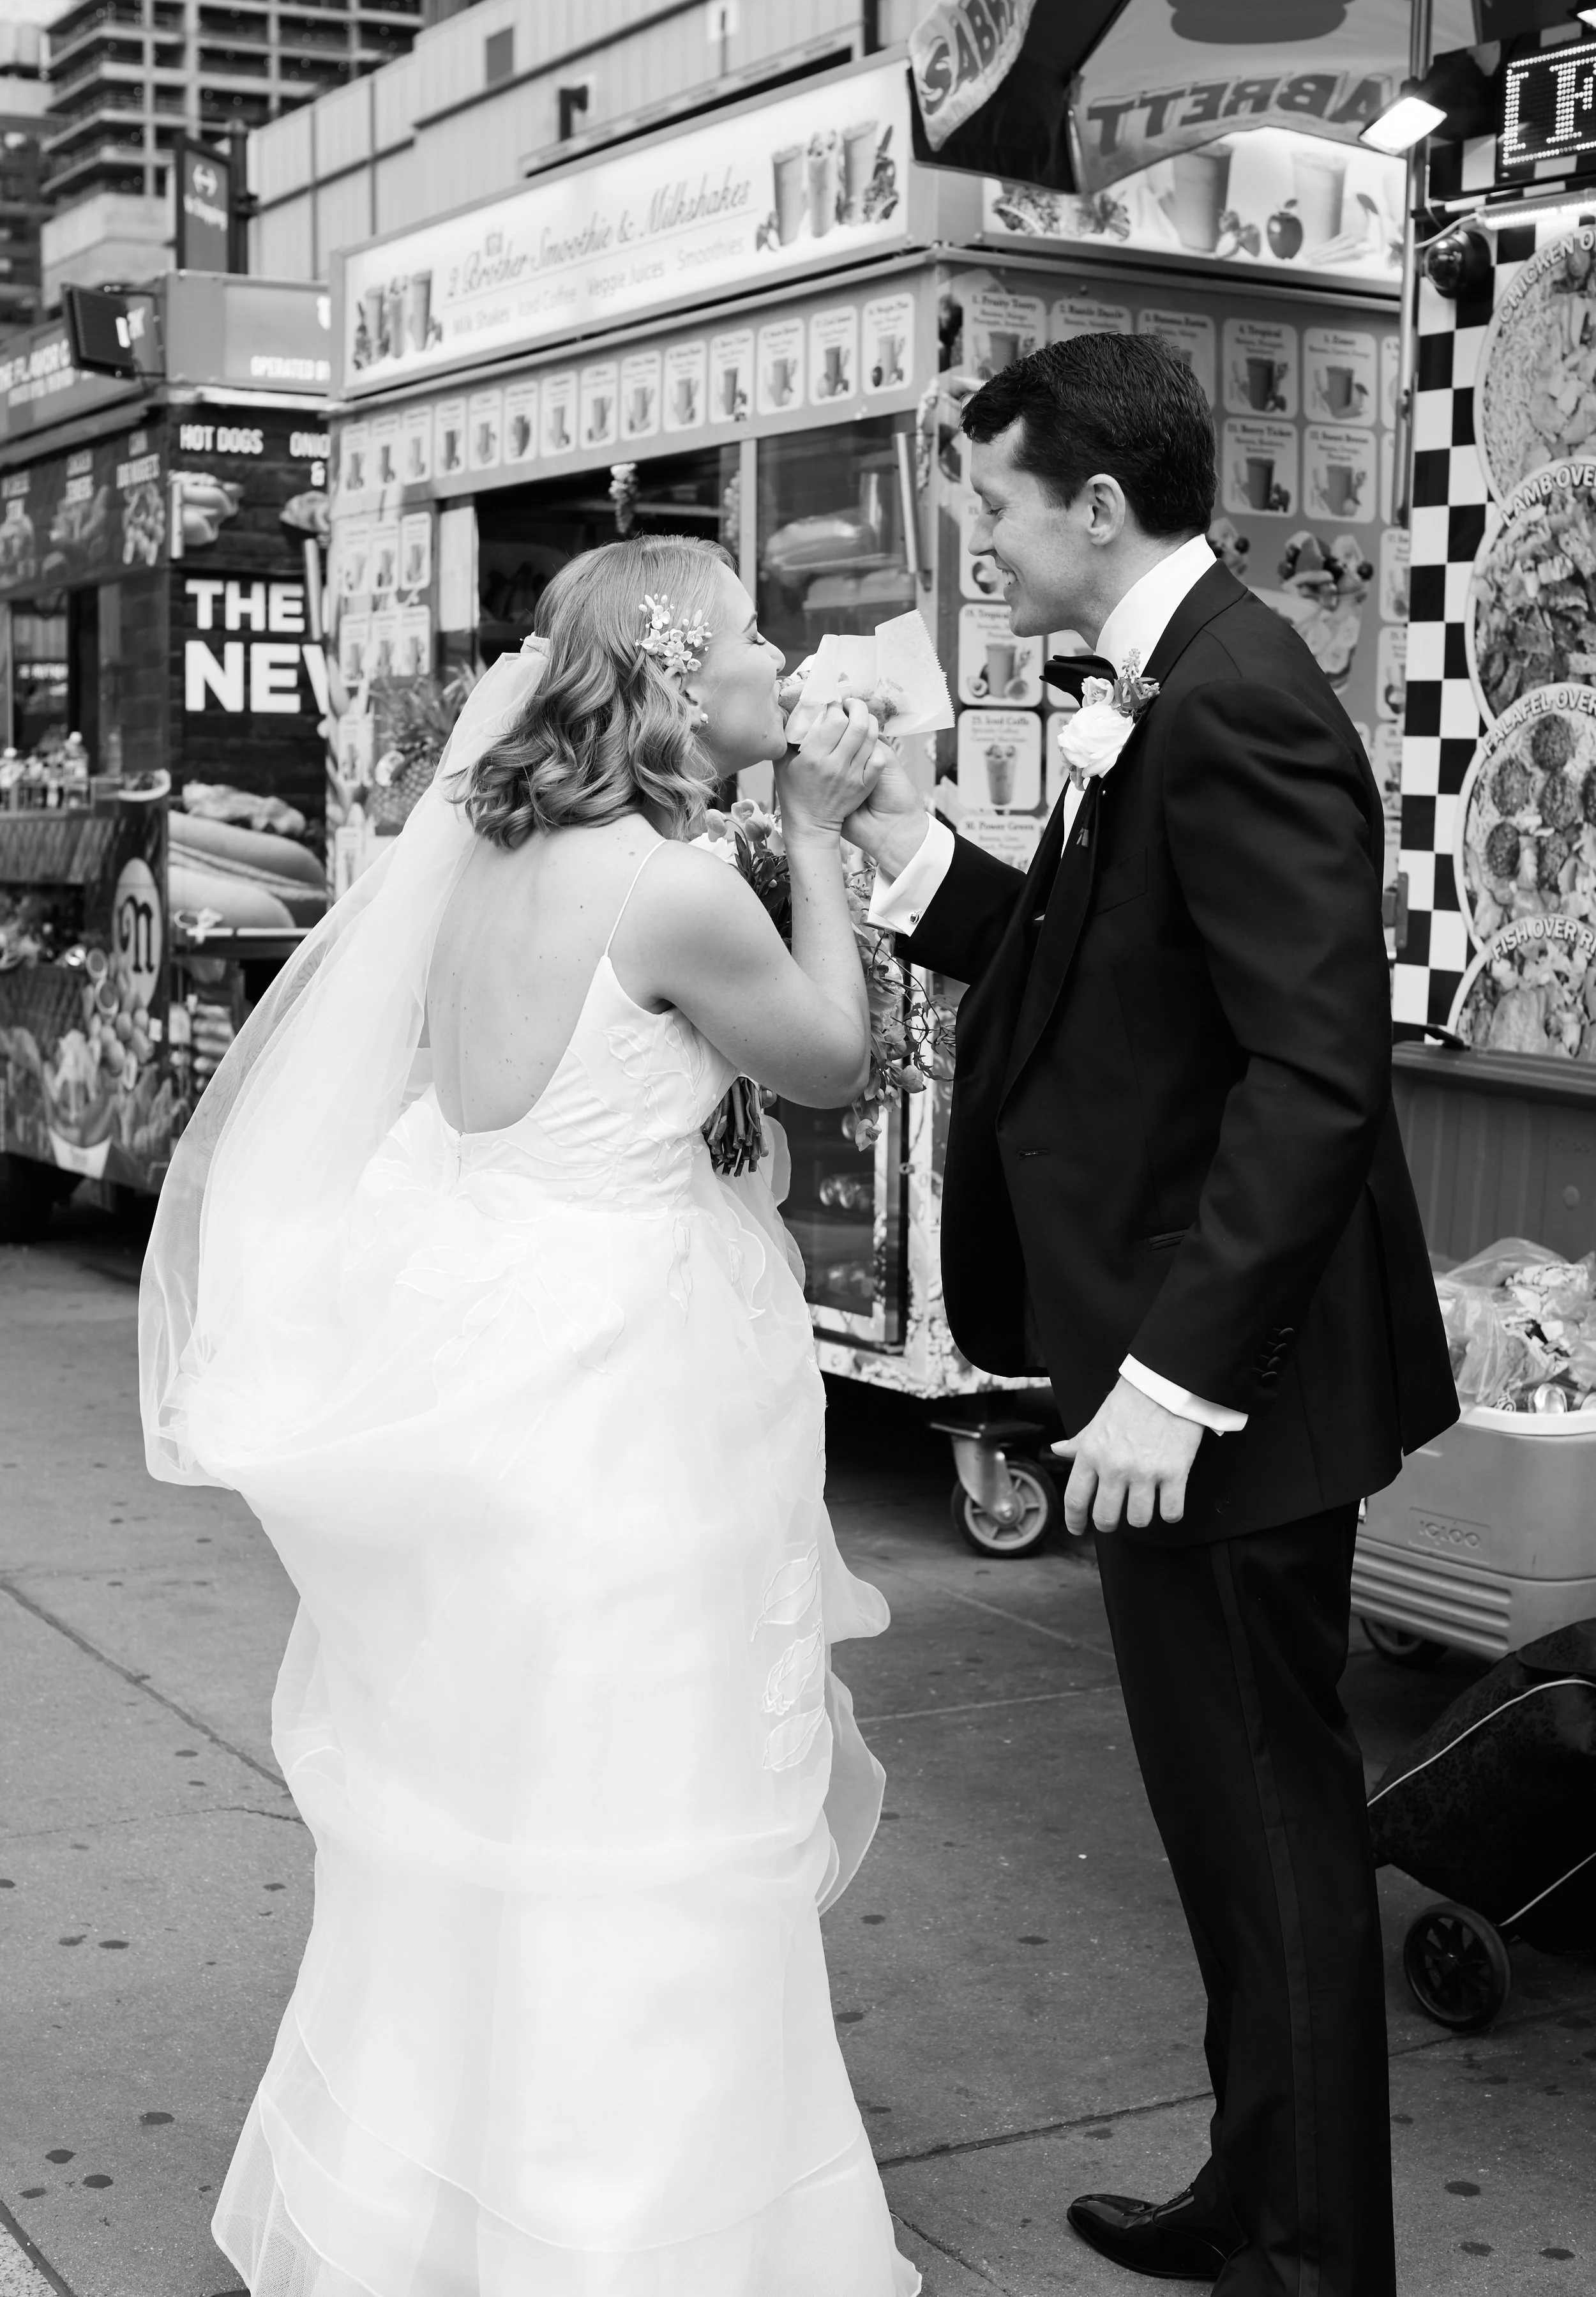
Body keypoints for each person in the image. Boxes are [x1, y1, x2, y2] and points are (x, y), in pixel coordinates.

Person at [139, 535, 920, 2297]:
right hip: (626, 1389)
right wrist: (806, 834)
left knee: (496, 1791)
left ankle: (427, 2208)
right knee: (644, 1794)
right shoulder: (672, 886)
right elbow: (825, 1056)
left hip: (499, 1355)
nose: (773, 664)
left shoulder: (488, 854)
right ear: (665, 678)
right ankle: (629, 2236)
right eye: (743, 639)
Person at [843, 334, 1457, 2297]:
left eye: (996, 503)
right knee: (1214, 1815)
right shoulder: (1173, 688)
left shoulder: (1235, 704)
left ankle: (1309, 2251)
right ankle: (1252, 2176)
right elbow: (1089, 970)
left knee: (1270, 1814)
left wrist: (1174, 1383)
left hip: (1227, 1388)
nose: (980, 540)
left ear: (1096, 506)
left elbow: (1309, 1073)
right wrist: (899, 843)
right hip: (1172, 1374)